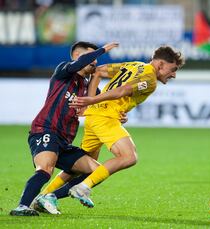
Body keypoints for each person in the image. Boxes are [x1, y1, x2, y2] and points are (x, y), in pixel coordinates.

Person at [35, 45, 185, 211]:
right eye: (173, 69)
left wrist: (92, 102)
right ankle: (81, 188)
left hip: (95, 117)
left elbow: (98, 71)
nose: (174, 75)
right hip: (105, 118)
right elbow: (123, 90)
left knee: (79, 166)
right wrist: (90, 100)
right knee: (129, 157)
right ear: (161, 64)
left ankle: (42, 196)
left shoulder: (134, 65)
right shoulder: (149, 79)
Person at [9, 41, 119, 216]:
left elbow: (104, 106)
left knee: (97, 171)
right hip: (45, 129)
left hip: (65, 141)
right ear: (78, 57)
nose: (95, 63)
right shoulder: (64, 71)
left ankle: (48, 197)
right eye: (92, 59)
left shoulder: (89, 88)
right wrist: (103, 50)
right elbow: (80, 64)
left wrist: (118, 115)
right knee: (45, 168)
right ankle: (22, 206)